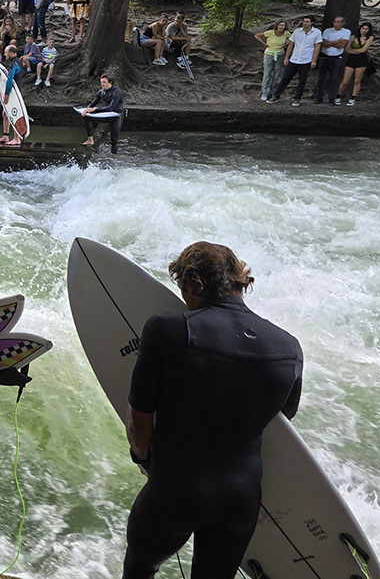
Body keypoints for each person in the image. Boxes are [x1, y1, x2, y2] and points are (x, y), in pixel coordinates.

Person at [123, 242, 303, 579]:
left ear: (193, 284)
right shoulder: (290, 347)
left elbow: (139, 421)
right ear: (238, 281)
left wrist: (143, 457)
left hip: (176, 491)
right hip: (240, 501)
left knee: (140, 567)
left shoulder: (167, 329)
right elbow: (282, 424)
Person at [269, 17, 321, 106]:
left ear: (312, 23)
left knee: (302, 80)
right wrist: (287, 57)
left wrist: (314, 60)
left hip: (306, 60)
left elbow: (317, 46)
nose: (305, 23)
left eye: (307, 22)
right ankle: (276, 96)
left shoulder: (317, 33)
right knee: (285, 78)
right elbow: (291, 44)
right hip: (294, 59)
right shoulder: (297, 31)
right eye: (304, 21)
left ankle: (297, 98)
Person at [79, 74, 126, 154]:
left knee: (114, 139)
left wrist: (94, 110)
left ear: (110, 82)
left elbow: (111, 108)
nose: (102, 84)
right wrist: (87, 109)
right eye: (101, 82)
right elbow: (93, 103)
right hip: (107, 115)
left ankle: (113, 156)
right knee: (87, 116)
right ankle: (90, 139)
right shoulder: (101, 92)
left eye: (104, 82)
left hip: (117, 115)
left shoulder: (116, 92)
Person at [0, 46, 28, 146]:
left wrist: (6, 94)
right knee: (5, 113)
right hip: (13, 92)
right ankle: (5, 136)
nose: (4, 54)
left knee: (14, 114)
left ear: (12, 53)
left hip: (14, 94)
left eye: (6, 52)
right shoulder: (13, 63)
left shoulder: (15, 64)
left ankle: (17, 138)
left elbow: (10, 80)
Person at [336, 22, 374, 106]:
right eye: (363, 28)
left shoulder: (370, 38)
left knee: (357, 80)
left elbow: (363, 50)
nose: (364, 30)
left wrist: (353, 51)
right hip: (351, 59)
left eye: (366, 29)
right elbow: (346, 49)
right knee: (345, 80)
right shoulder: (353, 37)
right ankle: (338, 96)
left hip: (362, 60)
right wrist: (357, 52)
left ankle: (353, 98)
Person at [317, 15, 351, 105]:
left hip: (336, 56)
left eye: (338, 22)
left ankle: (332, 98)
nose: (336, 24)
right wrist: (336, 42)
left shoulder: (346, 32)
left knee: (334, 78)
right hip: (324, 56)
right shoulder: (327, 31)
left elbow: (342, 45)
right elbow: (323, 43)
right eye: (335, 22)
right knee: (321, 78)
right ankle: (319, 97)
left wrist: (330, 43)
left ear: (342, 23)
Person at [255, 20, 289, 102]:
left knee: (276, 73)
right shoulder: (270, 32)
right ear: (277, 26)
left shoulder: (287, 34)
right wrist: (264, 44)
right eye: (280, 25)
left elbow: (292, 41)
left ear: (285, 27)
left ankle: (273, 91)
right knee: (267, 73)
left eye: (283, 25)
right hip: (269, 54)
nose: (281, 27)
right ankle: (265, 92)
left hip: (280, 54)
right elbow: (256, 35)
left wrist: (286, 44)